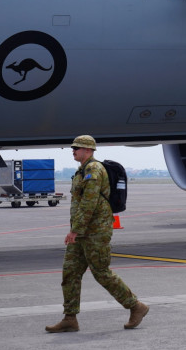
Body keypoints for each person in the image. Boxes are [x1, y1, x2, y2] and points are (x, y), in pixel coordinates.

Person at [45, 135, 149, 333]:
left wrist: (75, 230)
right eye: (73, 147)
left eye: (78, 147)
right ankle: (70, 318)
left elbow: (89, 203)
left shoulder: (94, 170)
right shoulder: (81, 170)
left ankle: (136, 306)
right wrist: (76, 230)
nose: (73, 150)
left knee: (102, 273)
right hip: (83, 231)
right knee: (70, 272)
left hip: (95, 231)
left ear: (88, 150)